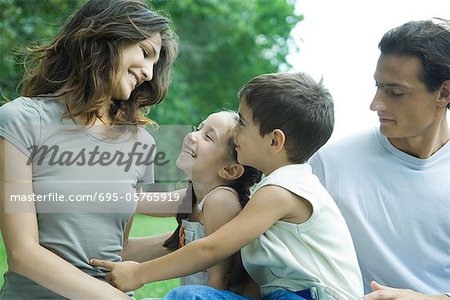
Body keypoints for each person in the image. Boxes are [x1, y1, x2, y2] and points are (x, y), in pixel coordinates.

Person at [91, 72, 364, 300]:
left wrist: (138, 274)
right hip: (288, 294)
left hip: (310, 297)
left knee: (189, 298)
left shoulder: (282, 190)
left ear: (274, 142)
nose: (236, 134)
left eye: (243, 123)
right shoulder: (276, 186)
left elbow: (211, 249)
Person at [0, 0, 178, 298]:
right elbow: (23, 253)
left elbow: (116, 251)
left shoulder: (139, 142)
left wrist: (189, 239)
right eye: (145, 53)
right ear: (108, 36)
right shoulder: (22, 120)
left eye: (154, 64)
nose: (148, 72)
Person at [309, 19, 450, 299]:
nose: (375, 104)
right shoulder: (330, 164)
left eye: (395, 92)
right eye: (378, 87)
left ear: (444, 93)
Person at [157, 110, 261, 293]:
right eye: (199, 128)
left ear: (229, 170)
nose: (192, 135)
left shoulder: (221, 200)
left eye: (208, 137)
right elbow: (133, 201)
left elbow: (218, 280)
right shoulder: (194, 197)